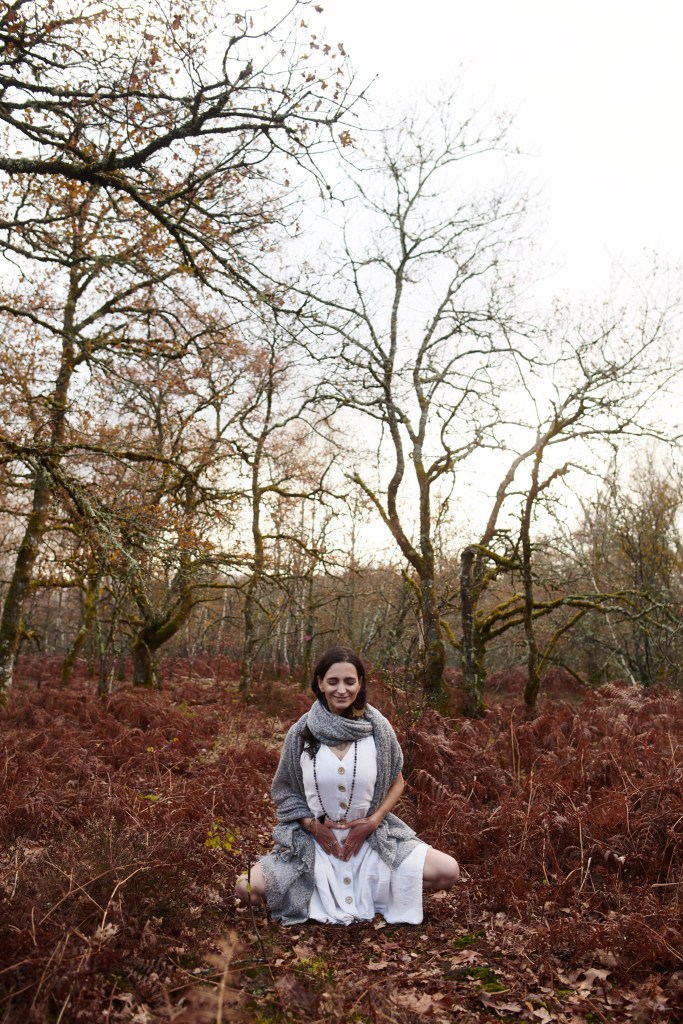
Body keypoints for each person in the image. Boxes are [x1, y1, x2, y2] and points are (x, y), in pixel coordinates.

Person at [235, 645, 459, 925]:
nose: (341, 689)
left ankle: (372, 889)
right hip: (315, 844)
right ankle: (321, 889)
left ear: (360, 683)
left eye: (349, 681)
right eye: (333, 681)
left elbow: (397, 781)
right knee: (246, 888)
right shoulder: (301, 732)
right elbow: (285, 790)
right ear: (320, 683)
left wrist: (373, 822)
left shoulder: (379, 729)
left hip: (370, 841)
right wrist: (311, 825)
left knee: (448, 871)